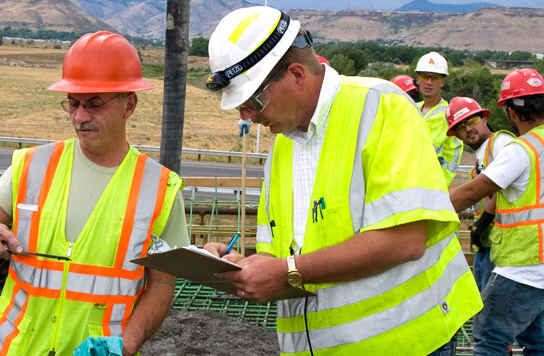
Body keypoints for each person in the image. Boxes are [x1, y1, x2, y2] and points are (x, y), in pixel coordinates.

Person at [203, 6, 482, 355]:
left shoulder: (380, 106)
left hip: (404, 342)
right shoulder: (282, 149)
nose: (247, 116)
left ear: (297, 75)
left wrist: (286, 271)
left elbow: (406, 239)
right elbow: (282, 250)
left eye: (253, 101)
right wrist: (244, 267)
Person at [0, 31, 188, 356]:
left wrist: (126, 344)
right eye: (73, 103)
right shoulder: (31, 165)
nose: (80, 117)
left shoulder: (161, 189)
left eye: (94, 104)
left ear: (129, 105)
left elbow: (162, 284)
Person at [450, 68, 544, 355]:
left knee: (491, 337)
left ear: (509, 111)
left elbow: (472, 192)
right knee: (538, 338)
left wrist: (425, 212)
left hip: (521, 270)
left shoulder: (520, 150)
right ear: (542, 102)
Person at [445, 96, 515, 291]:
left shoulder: (501, 143)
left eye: (472, 121)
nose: (468, 129)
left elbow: (505, 184)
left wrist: (484, 219)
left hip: (503, 243)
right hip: (489, 243)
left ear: (484, 119)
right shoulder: (481, 155)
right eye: (461, 127)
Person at [415, 52, 464, 186]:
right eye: (425, 77)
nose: (429, 82)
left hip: (432, 187)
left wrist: (439, 187)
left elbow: (452, 157)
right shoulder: (411, 109)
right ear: (418, 79)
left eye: (435, 78)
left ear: (442, 82)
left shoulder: (450, 115)